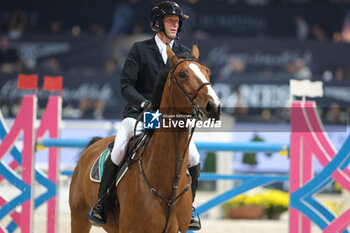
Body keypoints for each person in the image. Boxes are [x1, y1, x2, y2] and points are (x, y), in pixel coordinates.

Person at [88, 1, 202, 230]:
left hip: (170, 120)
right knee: (120, 146)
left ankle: (189, 208)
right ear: (157, 23)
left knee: (194, 158)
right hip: (140, 114)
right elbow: (126, 85)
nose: (175, 25)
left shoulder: (184, 53)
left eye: (177, 22)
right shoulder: (139, 50)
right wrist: (144, 103)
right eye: (171, 20)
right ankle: (101, 203)